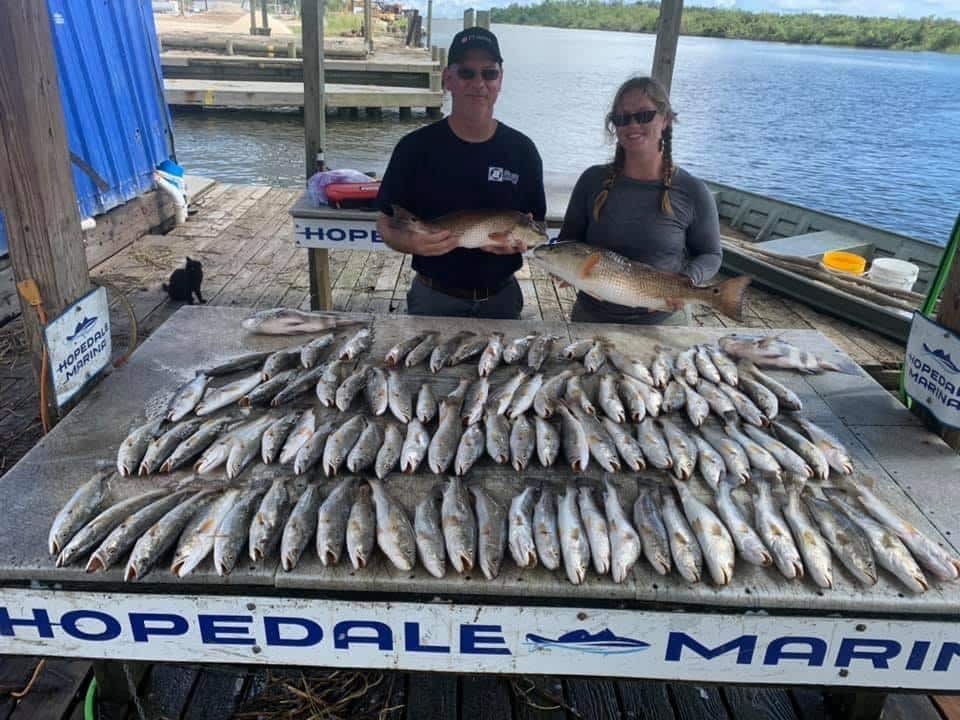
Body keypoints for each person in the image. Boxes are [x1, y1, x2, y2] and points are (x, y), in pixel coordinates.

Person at [375, 27, 546, 319]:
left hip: (501, 300)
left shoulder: (523, 150)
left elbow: (537, 222)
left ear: (500, 79)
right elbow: (386, 222)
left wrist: (520, 244)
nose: (479, 83)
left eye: (489, 73)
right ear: (448, 78)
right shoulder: (414, 148)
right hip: (433, 299)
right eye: (467, 73)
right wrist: (412, 242)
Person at [558, 76, 722, 325]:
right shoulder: (591, 180)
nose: (632, 125)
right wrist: (564, 268)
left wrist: (686, 281)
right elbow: (568, 241)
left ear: (665, 119)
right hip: (591, 318)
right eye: (622, 118)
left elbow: (711, 254)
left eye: (644, 115)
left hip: (664, 322)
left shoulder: (692, 190)